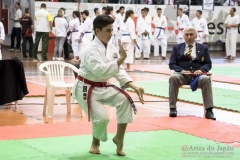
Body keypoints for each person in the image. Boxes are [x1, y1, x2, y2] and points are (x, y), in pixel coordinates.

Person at [72, 14, 144, 156]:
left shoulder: (112, 48)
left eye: (112, 30)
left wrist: (133, 85)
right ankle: (95, 142)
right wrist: (120, 60)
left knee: (125, 101)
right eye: (107, 30)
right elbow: (100, 71)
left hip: (103, 86)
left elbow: (119, 71)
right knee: (102, 118)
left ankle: (119, 139)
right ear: (97, 31)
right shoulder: (89, 50)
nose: (111, 34)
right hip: (86, 88)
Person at [168, 26, 216, 120]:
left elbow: (208, 63)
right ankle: (172, 108)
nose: (189, 37)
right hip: (182, 75)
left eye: (191, 34)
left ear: (196, 36)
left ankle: (209, 110)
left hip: (198, 76)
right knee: (173, 78)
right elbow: (172, 64)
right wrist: (181, 71)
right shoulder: (177, 48)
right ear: (183, 36)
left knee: (206, 79)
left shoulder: (203, 48)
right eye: (186, 35)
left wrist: (201, 70)